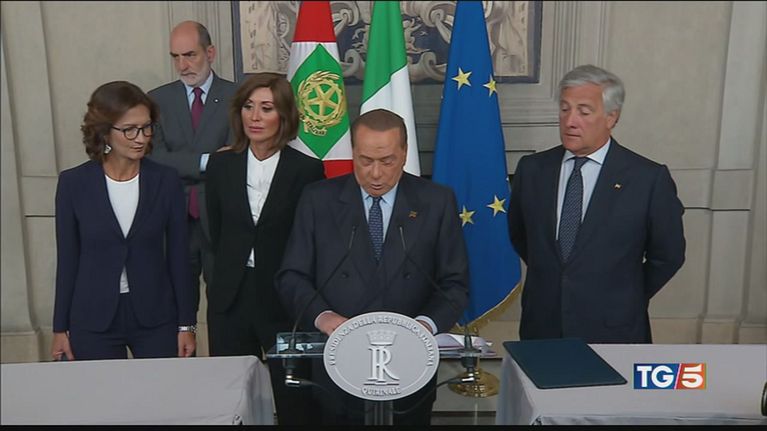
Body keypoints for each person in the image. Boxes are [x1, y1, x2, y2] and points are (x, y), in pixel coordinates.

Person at [275, 108, 469, 425]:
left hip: (409, 364)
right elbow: (292, 276)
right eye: (365, 161)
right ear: (353, 152)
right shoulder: (318, 199)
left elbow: (454, 284)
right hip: (337, 363)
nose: (375, 174)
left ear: (404, 154)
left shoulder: (436, 201)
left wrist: (423, 327)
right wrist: (323, 316)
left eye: (387, 161)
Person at [507, 64, 686, 344]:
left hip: (614, 329)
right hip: (542, 327)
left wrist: (624, 295)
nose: (570, 121)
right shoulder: (532, 170)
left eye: (584, 111)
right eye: (564, 109)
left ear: (611, 117)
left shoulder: (647, 178)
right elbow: (521, 236)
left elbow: (668, 255)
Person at [205, 73, 325, 425]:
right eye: (248, 107)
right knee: (230, 401)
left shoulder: (307, 170)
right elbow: (216, 231)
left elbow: (311, 241)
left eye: (266, 108)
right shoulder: (220, 165)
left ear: (284, 115)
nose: (255, 117)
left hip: (284, 302)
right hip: (230, 299)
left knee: (295, 401)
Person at [51, 81, 196, 361]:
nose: (140, 138)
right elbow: (67, 260)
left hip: (156, 316)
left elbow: (179, 258)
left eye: (146, 127)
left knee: (163, 388)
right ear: (104, 131)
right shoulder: (73, 184)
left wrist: (186, 325)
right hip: (93, 318)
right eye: (129, 129)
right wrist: (60, 327)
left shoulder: (166, 181)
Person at [148, 21, 237, 314]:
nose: (182, 65)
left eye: (189, 55)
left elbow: (235, 158)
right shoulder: (156, 100)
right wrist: (208, 161)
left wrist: (183, 162)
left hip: (221, 219)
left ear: (210, 53)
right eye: (175, 57)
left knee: (224, 308)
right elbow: (154, 159)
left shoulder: (237, 97)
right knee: (177, 310)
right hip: (174, 219)